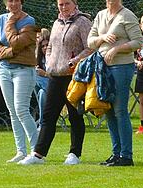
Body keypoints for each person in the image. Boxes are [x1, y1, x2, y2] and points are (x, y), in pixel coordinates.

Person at [18, 0, 92, 166]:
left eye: (67, 4)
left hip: (73, 76)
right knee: (48, 115)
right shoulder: (57, 23)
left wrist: (74, 61)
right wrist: (50, 62)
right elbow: (50, 46)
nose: (63, 7)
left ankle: (74, 153)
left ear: (75, 3)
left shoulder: (83, 22)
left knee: (75, 115)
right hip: (55, 75)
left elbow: (90, 47)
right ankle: (38, 154)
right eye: (60, 4)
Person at [88, 0, 141, 167]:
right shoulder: (100, 15)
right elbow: (90, 41)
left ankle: (126, 155)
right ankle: (116, 153)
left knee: (119, 110)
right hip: (103, 67)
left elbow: (138, 42)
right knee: (108, 110)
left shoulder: (127, 15)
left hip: (121, 66)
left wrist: (117, 48)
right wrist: (102, 38)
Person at [0, 0, 38, 164]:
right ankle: (21, 151)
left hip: (23, 70)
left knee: (21, 110)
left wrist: (10, 22)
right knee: (13, 111)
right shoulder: (0, 19)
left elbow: (16, 42)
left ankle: (37, 151)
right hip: (3, 69)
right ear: (5, 3)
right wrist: (8, 53)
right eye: (10, 0)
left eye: (17, 0)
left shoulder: (29, 21)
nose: (14, 3)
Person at [34, 28, 50, 130]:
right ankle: (43, 124)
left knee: (36, 77)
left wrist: (44, 74)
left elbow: (57, 76)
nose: (45, 48)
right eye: (43, 46)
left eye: (47, 45)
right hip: (44, 90)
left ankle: (42, 124)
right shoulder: (40, 59)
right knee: (41, 93)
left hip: (57, 88)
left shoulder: (55, 58)